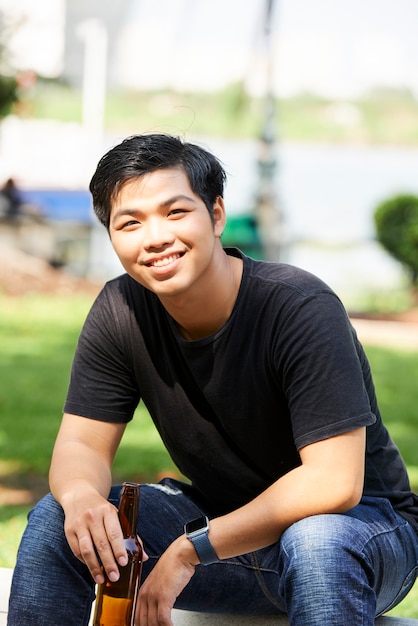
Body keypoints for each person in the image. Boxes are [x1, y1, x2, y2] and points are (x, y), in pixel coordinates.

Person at [8, 134, 418, 626]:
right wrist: (80, 499)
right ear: (111, 237)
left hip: (362, 536)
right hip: (231, 536)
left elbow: (334, 482)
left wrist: (190, 549)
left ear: (217, 215)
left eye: (175, 212)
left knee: (316, 539)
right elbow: (83, 446)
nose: (155, 237)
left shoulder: (298, 307)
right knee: (59, 519)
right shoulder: (121, 311)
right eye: (130, 223)